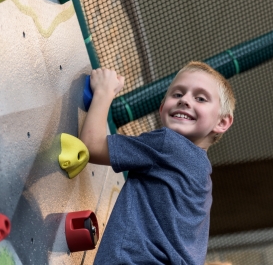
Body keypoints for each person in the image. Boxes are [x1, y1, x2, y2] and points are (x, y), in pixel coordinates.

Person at [80, 61, 235, 264]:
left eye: (200, 98)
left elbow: (90, 146)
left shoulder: (168, 144)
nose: (185, 100)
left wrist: (104, 91)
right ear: (162, 108)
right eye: (177, 94)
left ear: (222, 122)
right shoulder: (203, 181)